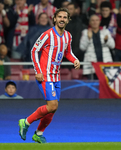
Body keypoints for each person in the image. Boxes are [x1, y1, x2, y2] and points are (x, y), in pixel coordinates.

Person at [18, 8, 80, 143]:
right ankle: (26, 122)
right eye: (60, 17)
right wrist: (38, 71)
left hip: (56, 76)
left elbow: (68, 52)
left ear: (68, 20)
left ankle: (38, 134)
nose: (62, 19)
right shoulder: (47, 35)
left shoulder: (68, 36)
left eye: (65, 17)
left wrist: (74, 59)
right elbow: (34, 51)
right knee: (52, 105)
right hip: (45, 76)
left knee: (52, 109)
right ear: (54, 19)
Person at [80, 14, 115, 79]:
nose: (95, 22)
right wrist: (88, 38)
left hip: (105, 65)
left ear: (99, 22)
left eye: (96, 20)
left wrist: (107, 40)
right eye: (92, 20)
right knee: (93, 87)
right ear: (90, 22)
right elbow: (82, 47)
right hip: (92, 66)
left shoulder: (105, 32)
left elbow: (113, 46)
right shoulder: (85, 32)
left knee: (105, 87)